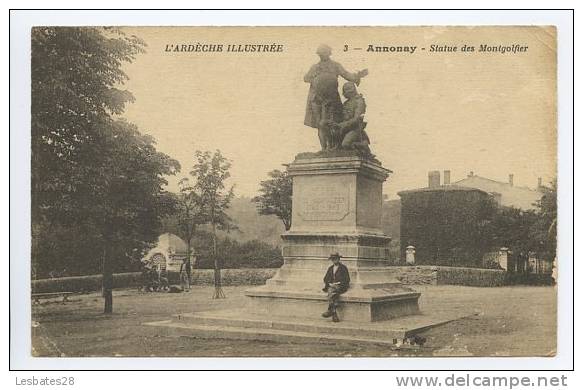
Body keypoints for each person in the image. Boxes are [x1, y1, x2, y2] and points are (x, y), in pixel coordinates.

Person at [304, 44, 368, 151]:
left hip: (331, 98)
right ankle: (324, 149)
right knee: (320, 124)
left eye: (324, 53)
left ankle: (332, 146)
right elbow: (306, 78)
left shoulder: (335, 65)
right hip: (316, 98)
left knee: (329, 123)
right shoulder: (315, 67)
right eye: (320, 53)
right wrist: (315, 78)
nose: (321, 55)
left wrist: (357, 76)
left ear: (329, 53)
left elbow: (347, 75)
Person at [334, 82, 372, 156]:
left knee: (346, 144)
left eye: (348, 90)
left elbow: (357, 119)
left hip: (355, 128)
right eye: (345, 90)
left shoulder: (359, 101)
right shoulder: (345, 103)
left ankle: (363, 145)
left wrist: (342, 125)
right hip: (344, 129)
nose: (346, 92)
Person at [322, 252, 350, 322]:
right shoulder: (330, 268)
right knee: (332, 291)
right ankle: (334, 312)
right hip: (332, 286)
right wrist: (330, 283)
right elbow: (325, 278)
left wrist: (338, 283)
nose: (334, 260)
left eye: (336, 259)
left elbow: (347, 279)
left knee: (331, 291)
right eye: (333, 259)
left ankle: (330, 310)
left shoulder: (343, 268)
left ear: (339, 259)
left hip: (340, 286)